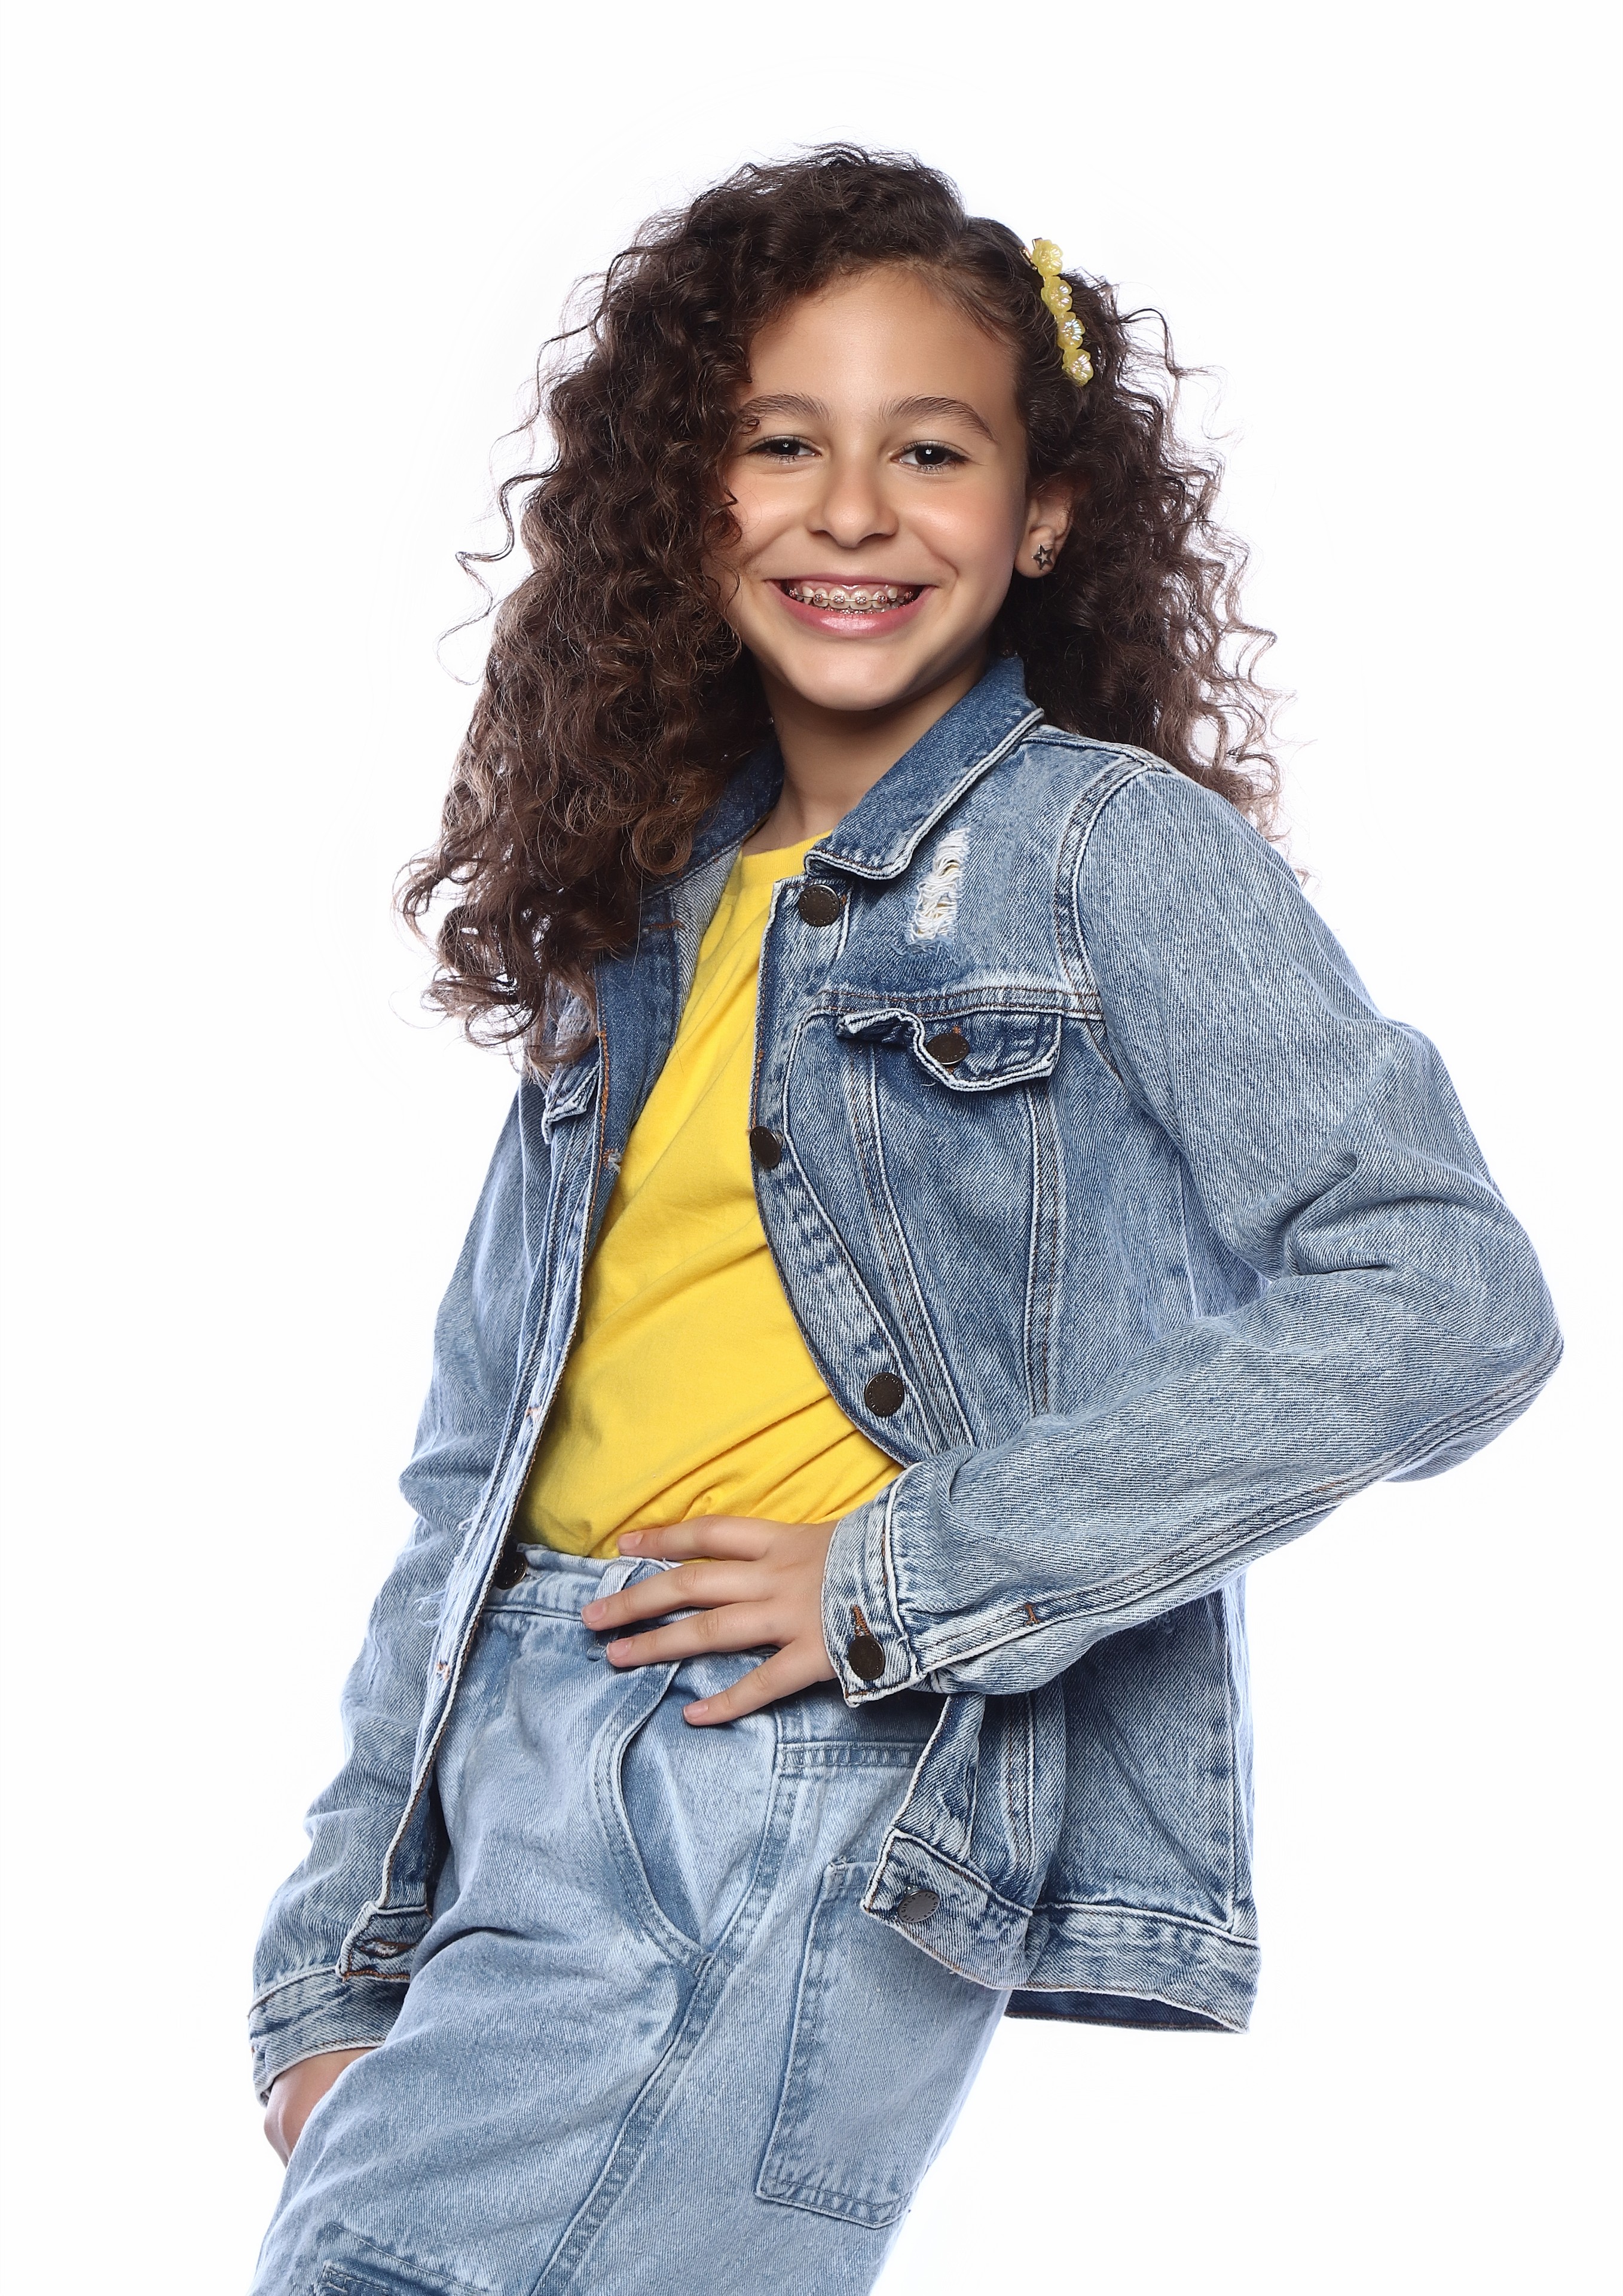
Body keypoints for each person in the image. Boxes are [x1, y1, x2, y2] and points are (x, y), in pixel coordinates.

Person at [248, 148, 1559, 2295]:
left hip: (792, 1760)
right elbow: (471, 1466)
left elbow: (1447, 1299)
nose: (850, 511)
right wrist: (335, 1954)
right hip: (513, 1778)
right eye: (781, 443)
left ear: (1043, 515)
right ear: (687, 499)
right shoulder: (644, 912)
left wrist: (911, 1572)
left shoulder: (1106, 852)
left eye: (930, 451)